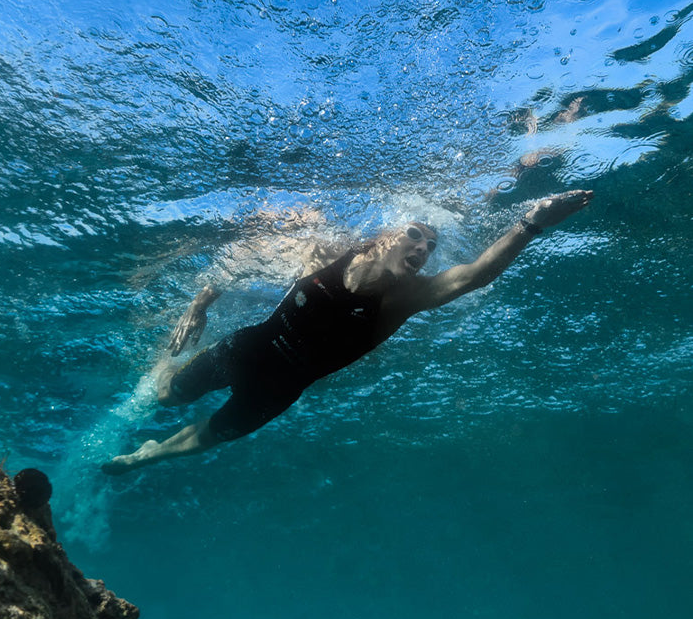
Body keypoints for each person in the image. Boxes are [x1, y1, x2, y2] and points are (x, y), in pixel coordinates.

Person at [101, 189, 593, 474]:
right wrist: (200, 303)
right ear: (387, 236)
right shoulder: (326, 252)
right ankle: (160, 368)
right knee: (167, 395)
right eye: (415, 235)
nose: (423, 248)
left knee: (207, 435)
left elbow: (476, 275)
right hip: (247, 349)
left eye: (430, 245)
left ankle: (149, 455)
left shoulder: (406, 298)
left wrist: (531, 223)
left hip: (278, 391)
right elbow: (247, 252)